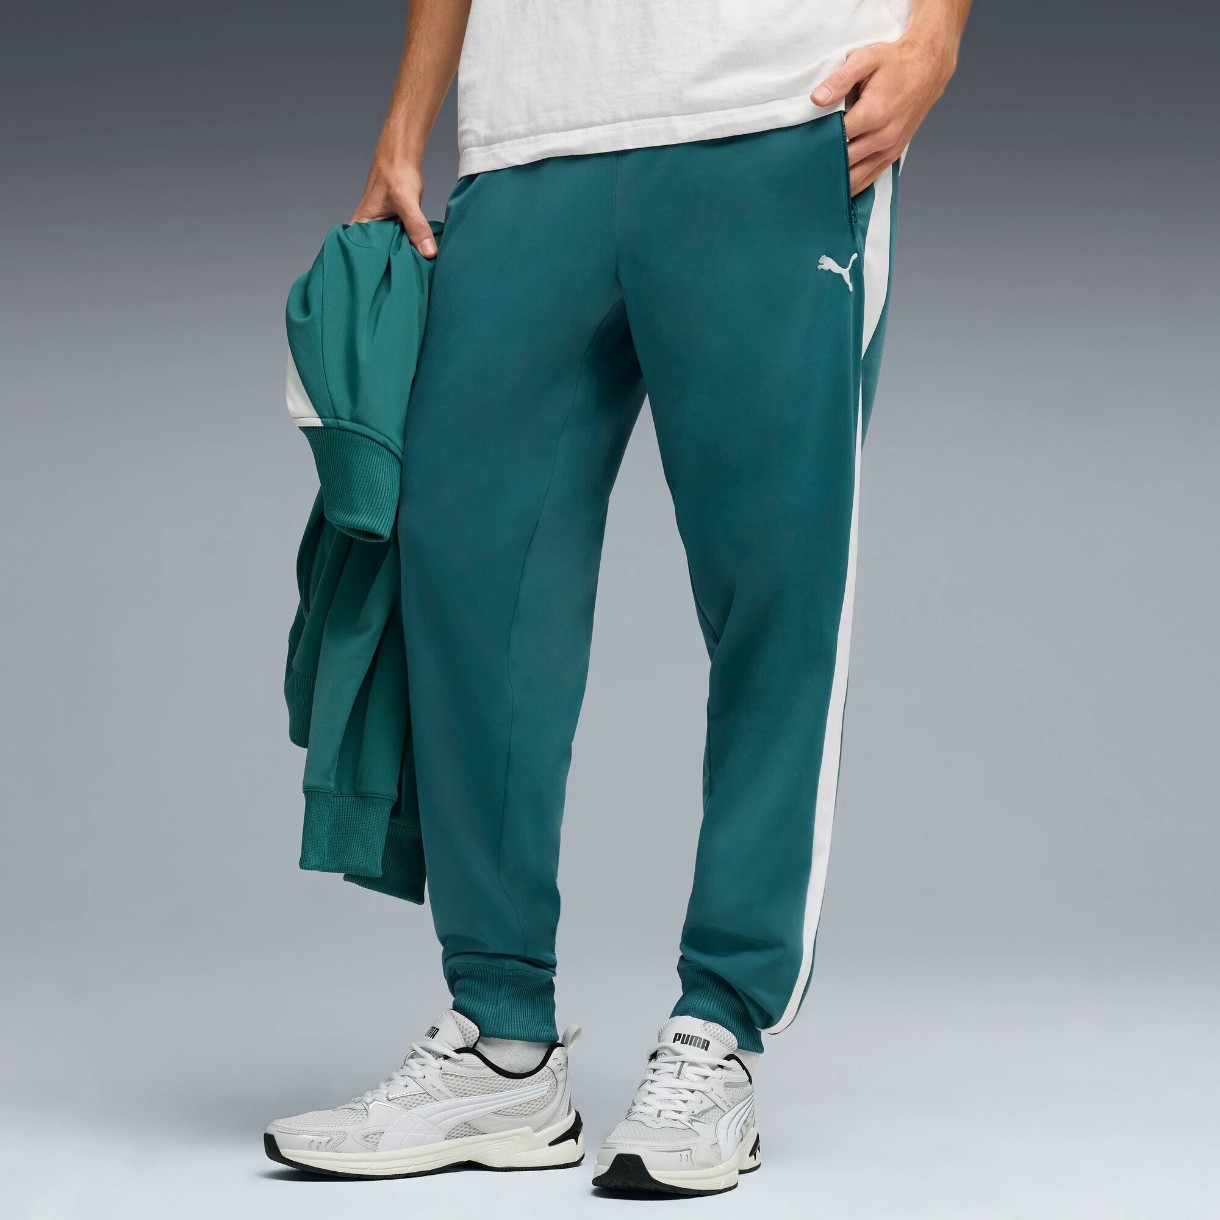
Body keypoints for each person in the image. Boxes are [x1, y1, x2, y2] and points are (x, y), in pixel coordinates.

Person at [265, 0, 970, 1195]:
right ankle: (500, 1040)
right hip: (532, 133)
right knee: (465, 568)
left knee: (776, 587)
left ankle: (718, 1026)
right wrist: (405, 126)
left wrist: (936, 36)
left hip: (772, 104)